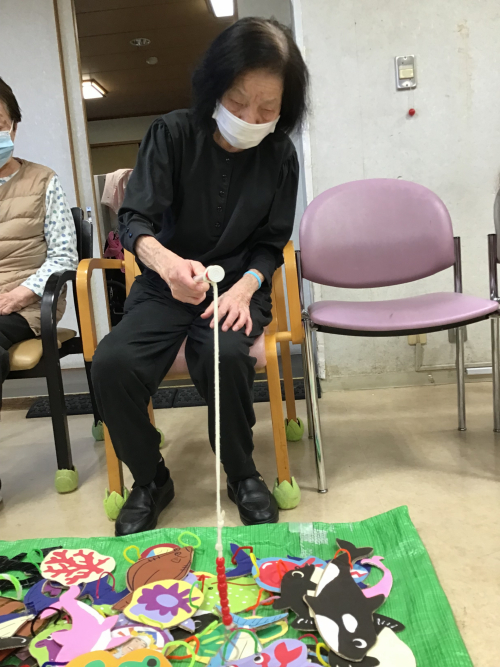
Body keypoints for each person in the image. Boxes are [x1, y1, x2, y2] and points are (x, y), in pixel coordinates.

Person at [92, 17, 309, 536]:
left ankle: (242, 472)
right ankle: (150, 478)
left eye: (267, 109)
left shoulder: (280, 154)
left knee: (225, 354)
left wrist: (246, 287)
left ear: (285, 109)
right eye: (237, 101)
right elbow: (134, 219)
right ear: (214, 88)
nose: (250, 118)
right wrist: (166, 264)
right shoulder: (171, 133)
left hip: (238, 287)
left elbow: (271, 242)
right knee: (112, 364)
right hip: (164, 284)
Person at [0, 77, 78, 501]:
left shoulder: (43, 180)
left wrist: (21, 293)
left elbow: (64, 256)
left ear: (13, 125)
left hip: (24, 305)